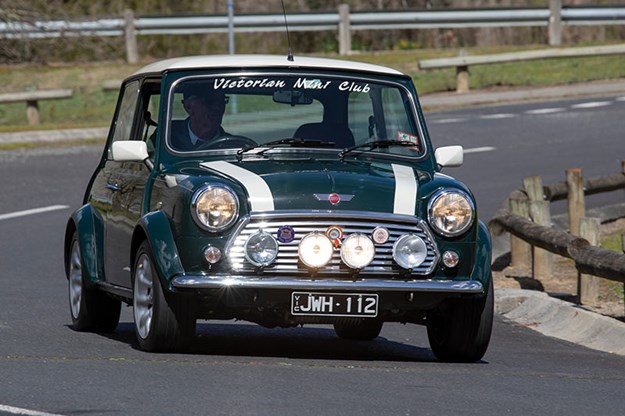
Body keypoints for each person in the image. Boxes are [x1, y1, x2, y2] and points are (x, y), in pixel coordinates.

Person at [170, 84, 229, 151]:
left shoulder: (232, 145)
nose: (217, 108)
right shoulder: (169, 138)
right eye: (209, 101)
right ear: (189, 107)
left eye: (222, 101)